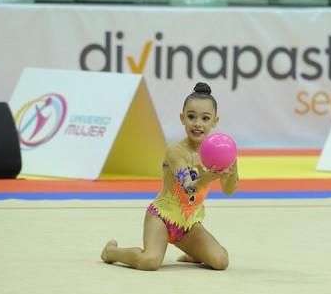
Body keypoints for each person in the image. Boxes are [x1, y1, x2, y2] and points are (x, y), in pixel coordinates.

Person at [101, 82, 239, 271]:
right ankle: (111, 252)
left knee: (221, 261)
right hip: (162, 218)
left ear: (215, 121)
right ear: (182, 118)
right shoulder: (176, 152)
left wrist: (232, 169)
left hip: (188, 224)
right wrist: (210, 176)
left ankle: (193, 253)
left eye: (205, 118)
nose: (198, 123)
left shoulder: (219, 152)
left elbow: (229, 191)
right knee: (150, 262)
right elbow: (188, 187)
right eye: (191, 117)